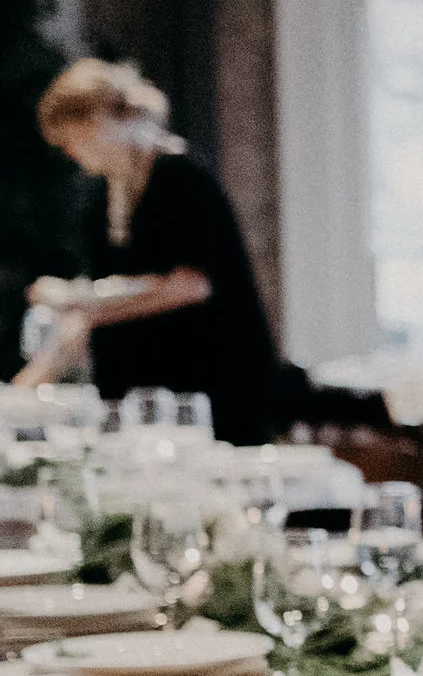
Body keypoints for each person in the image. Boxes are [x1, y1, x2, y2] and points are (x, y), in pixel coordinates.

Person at [12, 57, 282, 444]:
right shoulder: (103, 200)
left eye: (69, 141)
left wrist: (81, 299)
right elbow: (94, 311)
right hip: (141, 397)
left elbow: (192, 285)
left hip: (208, 387)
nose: (71, 154)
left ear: (93, 124)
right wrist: (31, 382)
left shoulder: (181, 180)